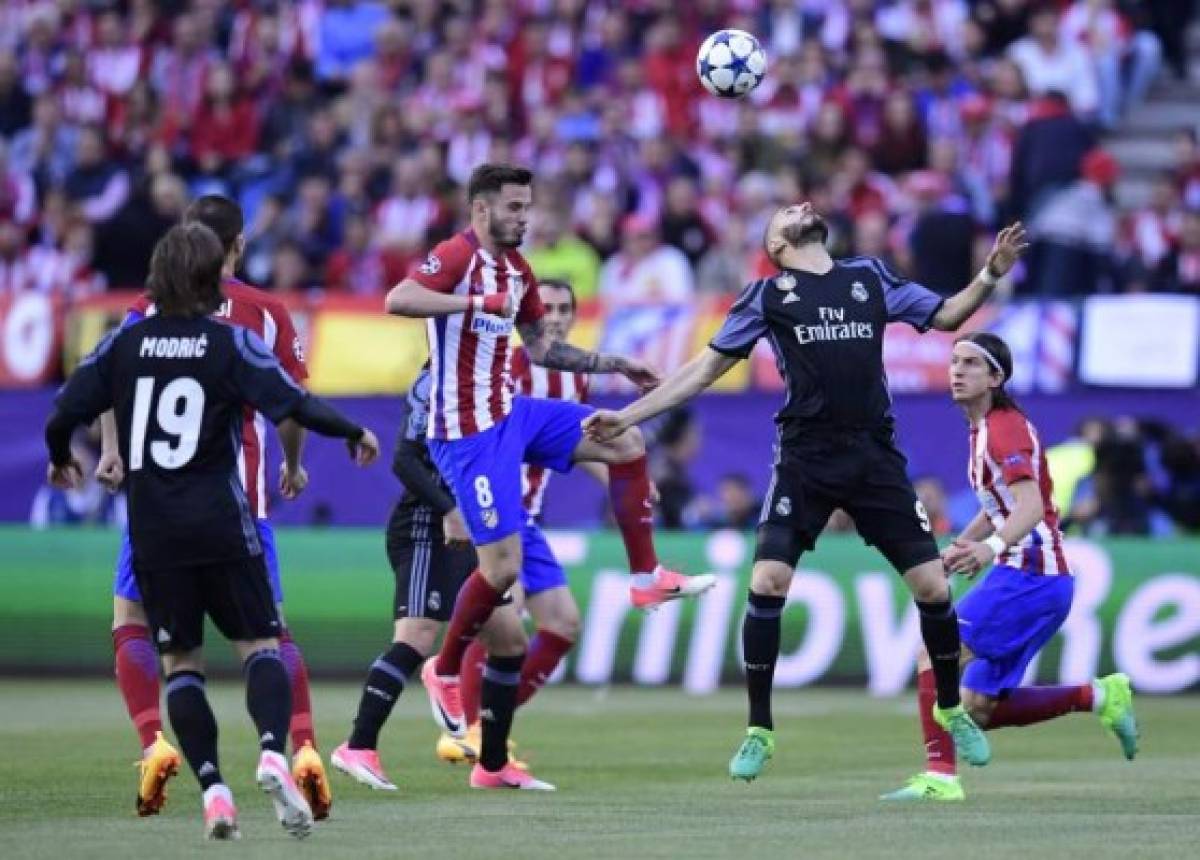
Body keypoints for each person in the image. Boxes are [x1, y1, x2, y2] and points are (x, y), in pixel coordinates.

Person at [584, 202, 1030, 781]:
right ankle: (759, 731)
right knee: (768, 579)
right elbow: (703, 370)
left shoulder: (869, 276)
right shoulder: (767, 295)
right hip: (805, 458)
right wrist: (628, 416)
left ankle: (951, 709)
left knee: (932, 584)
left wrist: (991, 273)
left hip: (874, 456)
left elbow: (946, 316)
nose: (797, 209)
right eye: (781, 214)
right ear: (777, 246)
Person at [384, 164, 714, 791]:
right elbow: (399, 299)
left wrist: (613, 362)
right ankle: (446, 670)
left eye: (527, 206)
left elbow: (539, 345)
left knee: (625, 437)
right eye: (513, 207)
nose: (523, 217)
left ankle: (645, 576)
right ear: (481, 209)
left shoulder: (518, 271)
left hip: (514, 415)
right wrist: (472, 302)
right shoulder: (458, 255)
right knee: (501, 571)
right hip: (468, 432)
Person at [44, 223, 380, 840]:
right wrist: (354, 431)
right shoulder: (230, 343)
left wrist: (61, 453)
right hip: (225, 524)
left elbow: (67, 406)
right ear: (214, 276)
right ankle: (276, 751)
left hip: (154, 536)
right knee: (261, 646)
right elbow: (294, 403)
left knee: (182, 665)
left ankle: (214, 791)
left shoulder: (128, 342)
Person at [96, 195, 333, 820]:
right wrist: (292, 463)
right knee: (266, 635)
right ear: (239, 246)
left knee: (135, 623)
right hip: (240, 503)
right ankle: (302, 748)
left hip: (157, 508)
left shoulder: (147, 310)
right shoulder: (268, 313)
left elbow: (104, 379)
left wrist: (114, 451)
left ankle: (154, 741)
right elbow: (293, 400)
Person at [880, 333, 1138, 802]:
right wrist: (966, 543)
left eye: (971, 364)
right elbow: (998, 502)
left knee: (932, 654)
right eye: (954, 362)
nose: (957, 371)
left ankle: (940, 776)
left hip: (1032, 574)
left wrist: (992, 546)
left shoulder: (1004, 429)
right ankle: (1098, 696)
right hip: (1026, 575)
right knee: (978, 707)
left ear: (996, 378)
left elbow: (1033, 505)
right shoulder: (982, 430)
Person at [330, 364, 534, 790]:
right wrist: (449, 510)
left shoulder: (495, 374)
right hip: (427, 525)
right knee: (416, 637)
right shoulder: (437, 378)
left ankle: (492, 766)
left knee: (510, 639)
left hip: (471, 526)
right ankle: (358, 746)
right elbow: (405, 460)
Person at [443, 278, 605, 764]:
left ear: (575, 316)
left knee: (562, 624)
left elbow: (578, 442)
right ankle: (471, 730)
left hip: (528, 518)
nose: (553, 316)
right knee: (503, 622)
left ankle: (491, 721)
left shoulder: (574, 376)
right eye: (546, 308)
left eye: (563, 308)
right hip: (494, 511)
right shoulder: (503, 368)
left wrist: (618, 473)